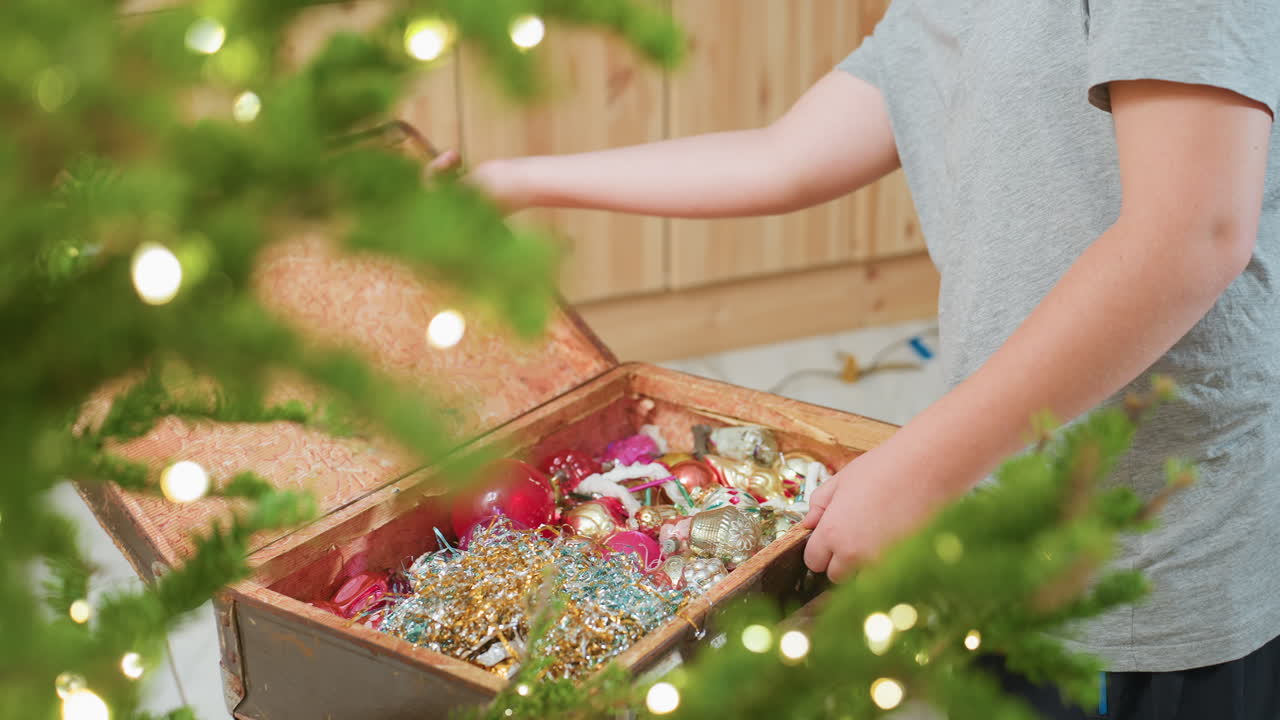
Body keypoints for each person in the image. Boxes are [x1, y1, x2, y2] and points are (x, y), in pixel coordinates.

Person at [432, 2, 1280, 717]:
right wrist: (517, 180)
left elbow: (1190, 234)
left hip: (1153, 555)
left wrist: (923, 463)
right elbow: (784, 153)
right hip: (1010, 507)